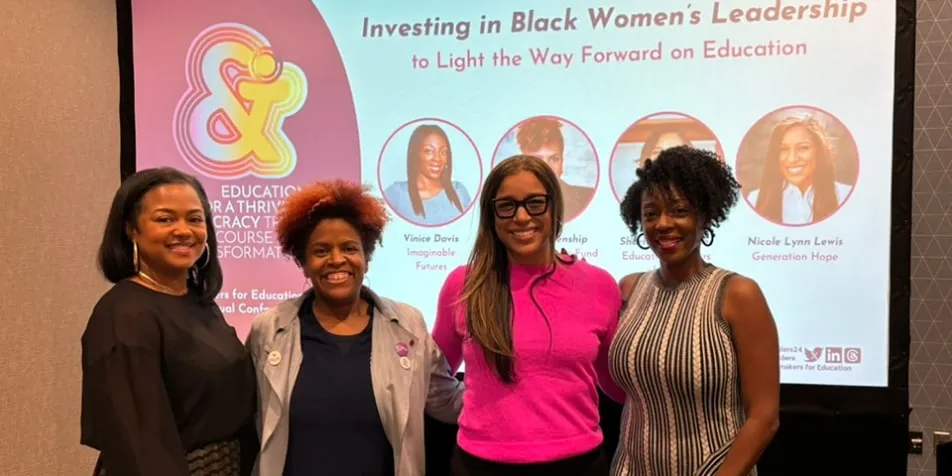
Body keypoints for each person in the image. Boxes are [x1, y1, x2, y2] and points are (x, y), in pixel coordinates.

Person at [245, 179, 464, 476]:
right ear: (304, 263)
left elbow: (444, 399)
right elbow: (245, 416)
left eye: (349, 248)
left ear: (366, 257)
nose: (337, 260)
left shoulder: (408, 327)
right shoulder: (269, 330)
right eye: (321, 251)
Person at [432, 154, 625, 476]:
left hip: (578, 464)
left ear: (554, 207)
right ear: (491, 215)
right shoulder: (463, 285)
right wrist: (475, 413)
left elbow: (618, 384)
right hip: (479, 465)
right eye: (507, 205)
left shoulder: (599, 285)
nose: (521, 217)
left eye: (535, 203)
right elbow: (433, 375)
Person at [611, 146, 780, 476]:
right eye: (650, 214)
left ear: (704, 216)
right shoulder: (629, 289)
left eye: (679, 210)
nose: (663, 223)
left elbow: (764, 416)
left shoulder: (738, 295)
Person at [80, 167, 258, 476]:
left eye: (194, 218)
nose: (183, 230)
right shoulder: (124, 315)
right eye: (165, 219)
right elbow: (138, 445)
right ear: (130, 229)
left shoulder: (198, 302)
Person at [747, 114, 853, 225]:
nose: (792, 159)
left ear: (819, 151)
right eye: (783, 149)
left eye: (803, 148)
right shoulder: (755, 200)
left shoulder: (844, 195)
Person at [383, 124, 472, 225]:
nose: (437, 159)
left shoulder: (459, 191)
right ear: (415, 154)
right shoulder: (396, 194)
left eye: (443, 152)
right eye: (429, 151)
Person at [514, 117, 595, 222]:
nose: (547, 168)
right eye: (538, 159)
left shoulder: (586, 197)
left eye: (554, 159)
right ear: (523, 162)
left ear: (562, 162)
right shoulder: (506, 202)